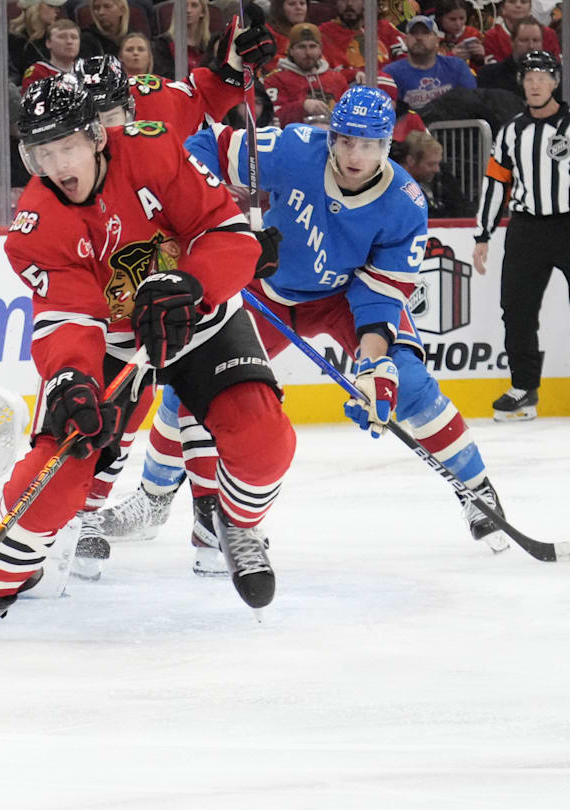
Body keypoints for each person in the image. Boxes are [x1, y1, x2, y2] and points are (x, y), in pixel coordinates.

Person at [0, 73, 296, 643]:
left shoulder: (153, 147)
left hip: (200, 320)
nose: (55, 162)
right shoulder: (36, 228)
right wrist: (70, 376)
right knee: (58, 472)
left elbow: (226, 232)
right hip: (114, 343)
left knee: (262, 435)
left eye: (64, 145)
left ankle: (237, 525)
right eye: (40, 151)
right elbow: (68, 316)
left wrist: (191, 283)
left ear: (96, 136)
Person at [99, 86, 513, 562]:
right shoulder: (295, 148)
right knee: (189, 387)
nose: (354, 154)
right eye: (344, 140)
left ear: (387, 145)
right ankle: (154, 498)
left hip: (344, 297)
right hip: (266, 288)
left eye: (368, 144)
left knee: (411, 384)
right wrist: (220, 223)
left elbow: (380, 293)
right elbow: (200, 151)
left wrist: (373, 366)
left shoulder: (405, 203)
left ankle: (477, 491)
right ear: (331, 136)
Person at [71, 14, 276, 576]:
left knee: (212, 402)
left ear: (130, 105)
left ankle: (214, 517)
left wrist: (239, 54)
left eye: (112, 117)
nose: (102, 135)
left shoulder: (157, 103)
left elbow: (213, 89)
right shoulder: (67, 158)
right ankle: (82, 512)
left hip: (181, 285)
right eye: (91, 121)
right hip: (115, 297)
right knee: (112, 411)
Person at [473, 51, 569, 422]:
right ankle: (524, 387)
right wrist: (483, 233)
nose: (534, 83)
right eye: (529, 77)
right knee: (517, 310)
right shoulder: (511, 130)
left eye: (542, 76)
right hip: (527, 227)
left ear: (555, 82)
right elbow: (496, 182)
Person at [383, 15, 476, 112]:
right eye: (413, 33)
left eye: (425, 33)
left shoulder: (457, 67)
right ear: (405, 41)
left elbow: (472, 103)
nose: (419, 38)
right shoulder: (391, 73)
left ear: (437, 40)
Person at [265, 23, 350, 124]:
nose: (308, 52)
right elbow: (272, 117)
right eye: (301, 47)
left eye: (312, 46)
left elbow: (349, 114)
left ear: (320, 50)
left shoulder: (337, 79)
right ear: (291, 50)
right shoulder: (275, 80)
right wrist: (302, 107)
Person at [318, 0, 406, 80]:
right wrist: (352, 74)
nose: (349, 4)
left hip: (390, 87)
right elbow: (322, 71)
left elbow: (406, 61)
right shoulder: (324, 33)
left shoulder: (385, 28)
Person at [401, 129, 470, 217]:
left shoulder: (443, 176)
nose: (437, 169)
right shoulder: (395, 188)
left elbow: (464, 208)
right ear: (411, 161)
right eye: (431, 164)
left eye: (438, 163)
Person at [477, 17, 545, 99]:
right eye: (524, 40)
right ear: (512, 42)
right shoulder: (489, 75)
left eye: (536, 40)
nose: (531, 46)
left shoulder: (555, 76)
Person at [151, 0, 214, 77]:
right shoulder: (162, 43)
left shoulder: (211, 45)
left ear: (202, 13)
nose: (188, 10)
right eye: (184, 6)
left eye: (194, 6)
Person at [483, 0, 560, 63]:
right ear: (502, 8)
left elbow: (556, 66)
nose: (518, 5)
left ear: (530, 8)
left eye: (523, 2)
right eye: (512, 2)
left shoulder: (548, 34)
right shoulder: (491, 37)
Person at [21, 19, 84, 90]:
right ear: (48, 43)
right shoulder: (38, 72)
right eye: (62, 37)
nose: (69, 42)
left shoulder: (86, 71)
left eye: (74, 37)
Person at [436, 0, 488, 73]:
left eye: (462, 18)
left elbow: (483, 70)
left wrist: (481, 58)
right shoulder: (432, 37)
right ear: (440, 18)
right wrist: (451, 56)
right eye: (452, 19)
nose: (458, 24)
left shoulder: (473, 34)